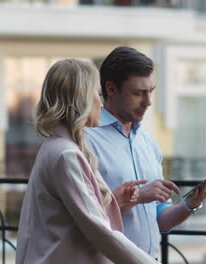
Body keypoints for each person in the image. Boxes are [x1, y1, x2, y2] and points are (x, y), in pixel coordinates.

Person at [16, 58, 158, 264]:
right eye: (97, 95)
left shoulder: (58, 146)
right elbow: (98, 229)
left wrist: (111, 200)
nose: (101, 103)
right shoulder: (66, 154)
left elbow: (71, 216)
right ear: (80, 99)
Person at [86, 47, 206, 259]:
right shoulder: (86, 141)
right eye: (138, 93)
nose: (148, 102)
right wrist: (139, 197)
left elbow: (161, 220)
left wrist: (190, 204)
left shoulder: (147, 143)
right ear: (111, 89)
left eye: (151, 91)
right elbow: (85, 217)